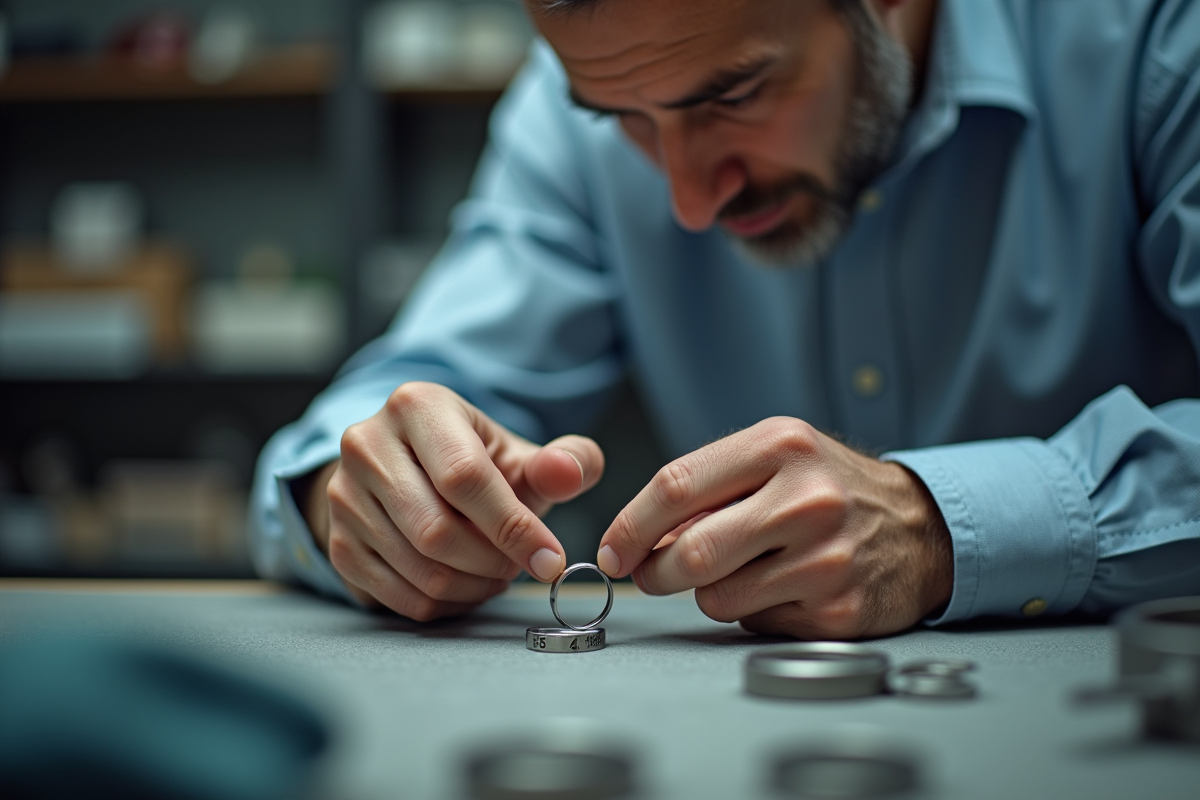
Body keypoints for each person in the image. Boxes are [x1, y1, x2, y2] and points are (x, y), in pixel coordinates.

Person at [250, 0, 1200, 639]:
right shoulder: (593, 84)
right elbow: (412, 390)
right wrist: (361, 493)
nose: (690, 201)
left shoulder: (1158, 38)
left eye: (735, 96)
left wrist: (945, 527)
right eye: (623, 120)